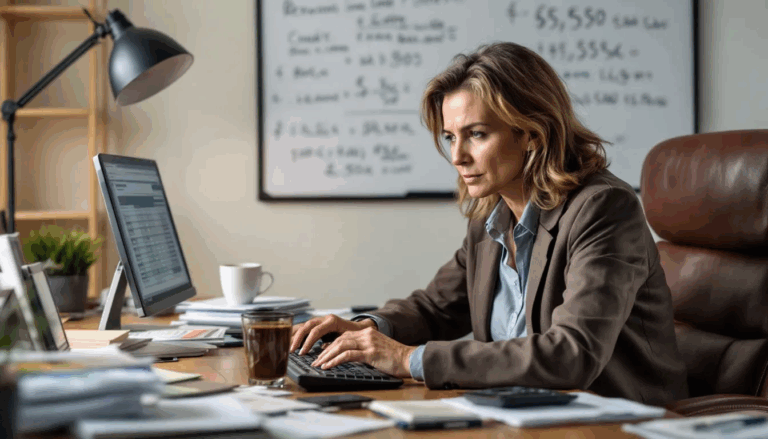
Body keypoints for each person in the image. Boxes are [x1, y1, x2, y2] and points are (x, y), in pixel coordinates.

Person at [290, 42, 688, 405]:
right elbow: (436, 309)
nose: (458, 156)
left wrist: (408, 358)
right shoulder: (491, 215)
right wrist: (364, 330)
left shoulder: (603, 209)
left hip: (612, 418)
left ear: (532, 133)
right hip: (516, 414)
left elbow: (572, 353)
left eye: (476, 134)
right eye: (450, 138)